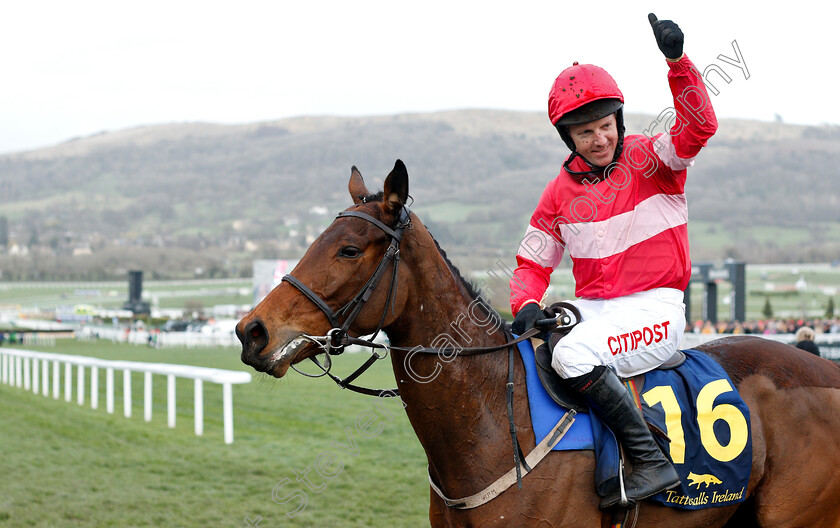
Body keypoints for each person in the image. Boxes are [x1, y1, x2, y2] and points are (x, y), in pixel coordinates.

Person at [510, 13, 718, 508]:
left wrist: (678, 63)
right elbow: (533, 261)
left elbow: (700, 126)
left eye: (606, 126)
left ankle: (649, 460)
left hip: (655, 312)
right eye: (585, 133)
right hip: (596, 310)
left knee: (571, 356)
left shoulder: (653, 157)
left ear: (618, 121)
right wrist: (524, 303)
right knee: (528, 352)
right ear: (568, 139)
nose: (600, 139)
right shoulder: (557, 194)